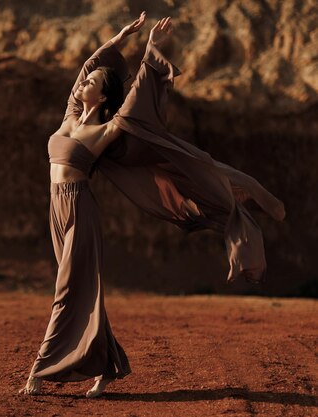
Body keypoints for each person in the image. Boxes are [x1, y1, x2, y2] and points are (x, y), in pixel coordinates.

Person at [19, 11, 285, 398]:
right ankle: (109, 367)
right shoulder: (70, 115)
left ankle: (39, 371)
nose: (82, 85)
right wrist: (120, 37)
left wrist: (151, 51)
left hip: (80, 211)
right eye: (83, 84)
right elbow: (88, 65)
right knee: (81, 289)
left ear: (104, 95)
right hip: (55, 208)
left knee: (67, 290)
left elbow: (137, 100)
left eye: (90, 84)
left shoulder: (104, 131)